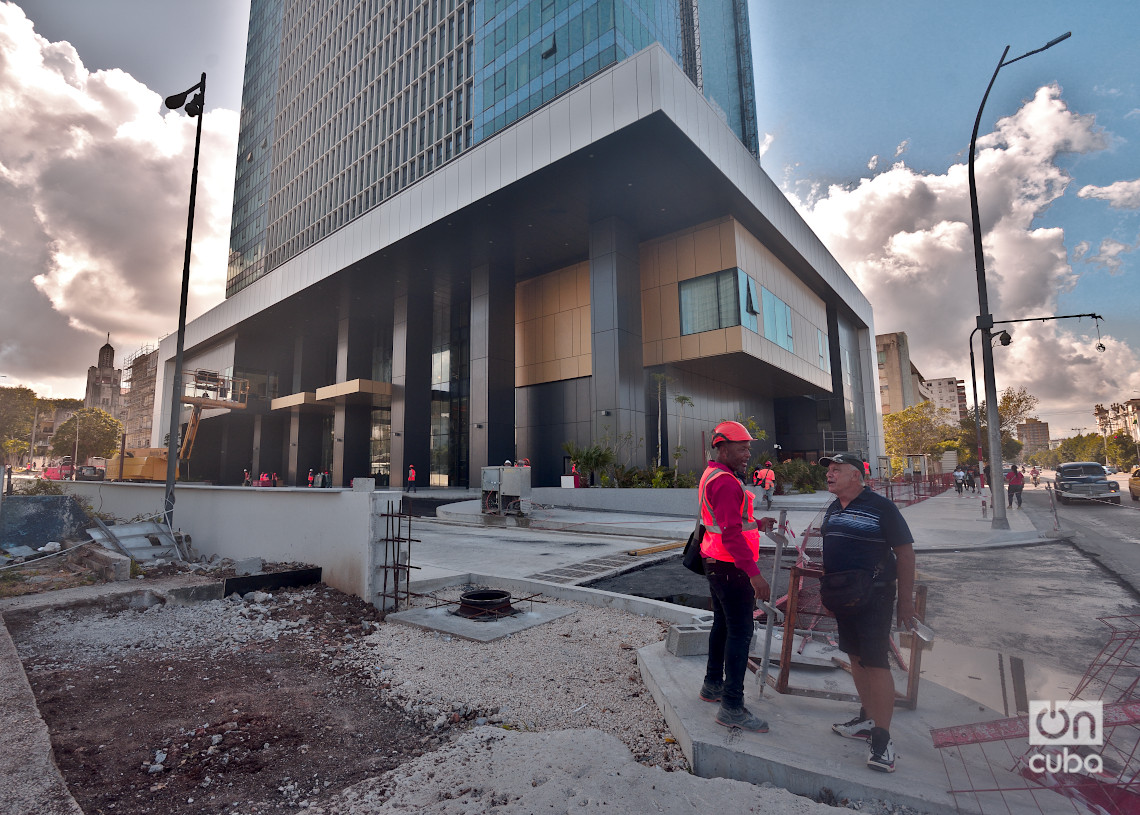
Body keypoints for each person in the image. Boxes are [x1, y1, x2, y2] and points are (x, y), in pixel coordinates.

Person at [820, 452, 916, 774]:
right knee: (856, 658)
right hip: (844, 595)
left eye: (837, 470)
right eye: (829, 470)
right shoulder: (834, 507)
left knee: (875, 662)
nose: (830, 475)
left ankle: (883, 738)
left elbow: (905, 554)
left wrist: (905, 601)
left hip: (875, 596)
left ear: (856, 477)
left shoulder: (882, 508)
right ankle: (867, 719)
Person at [698, 420, 775, 733]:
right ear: (722, 446)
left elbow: (727, 521)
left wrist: (757, 522)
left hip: (716, 562)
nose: (747, 454)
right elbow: (731, 534)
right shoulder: (727, 482)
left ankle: (712, 685)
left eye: (748, 448)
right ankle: (732, 706)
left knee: (722, 625)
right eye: (741, 448)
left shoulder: (714, 475)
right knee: (740, 633)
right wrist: (755, 576)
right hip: (731, 567)